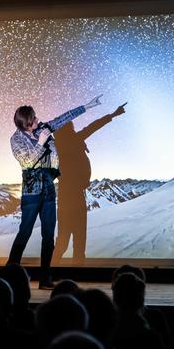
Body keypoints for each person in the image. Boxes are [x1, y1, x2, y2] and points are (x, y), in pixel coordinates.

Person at [7, 96, 102, 289]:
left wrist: (87, 105)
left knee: (48, 235)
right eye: (33, 120)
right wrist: (40, 143)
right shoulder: (16, 139)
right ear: (26, 125)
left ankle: (45, 278)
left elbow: (62, 118)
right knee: (24, 233)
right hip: (32, 192)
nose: (37, 120)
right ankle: (9, 274)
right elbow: (26, 162)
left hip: (49, 189)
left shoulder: (43, 128)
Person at [53, 102, 127, 264]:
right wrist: (113, 115)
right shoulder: (72, 140)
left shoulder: (57, 145)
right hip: (75, 197)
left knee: (63, 240)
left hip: (65, 197)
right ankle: (72, 272)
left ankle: (49, 272)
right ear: (68, 128)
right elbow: (93, 127)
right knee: (78, 239)